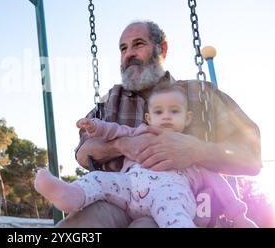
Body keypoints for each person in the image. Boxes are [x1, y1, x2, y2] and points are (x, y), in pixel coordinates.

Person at [55, 20, 262, 228]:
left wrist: (197, 150)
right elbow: (83, 153)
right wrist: (120, 145)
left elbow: (252, 158)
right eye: (123, 48)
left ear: (162, 49)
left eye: (138, 44)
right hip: (119, 199)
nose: (129, 54)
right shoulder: (112, 100)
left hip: (186, 206)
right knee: (76, 226)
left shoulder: (201, 95)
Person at [35, 83, 257, 227]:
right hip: (129, 189)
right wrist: (95, 126)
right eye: (159, 112)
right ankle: (71, 195)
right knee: (98, 180)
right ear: (149, 118)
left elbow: (220, 183)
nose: (167, 117)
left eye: (174, 111)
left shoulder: (190, 150)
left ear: (187, 118)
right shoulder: (139, 130)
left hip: (168, 199)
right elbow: (111, 132)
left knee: (175, 219)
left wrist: (239, 216)